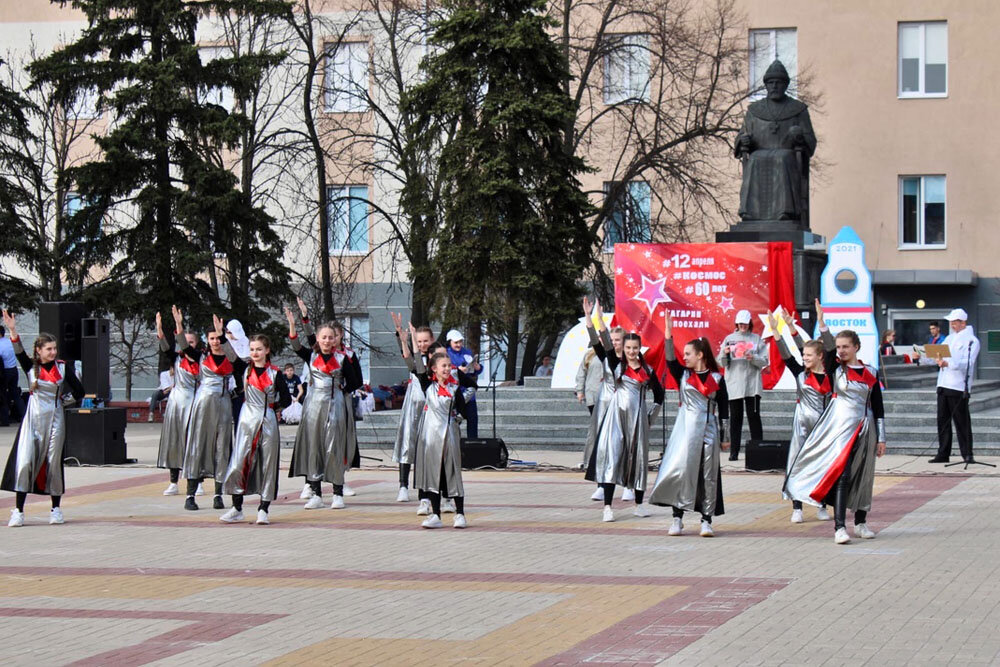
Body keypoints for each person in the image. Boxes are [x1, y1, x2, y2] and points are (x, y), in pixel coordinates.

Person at [784, 329, 887, 545]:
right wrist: (823, 328)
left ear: (856, 347)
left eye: (845, 346)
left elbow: (878, 406)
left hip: (866, 429)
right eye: (838, 347)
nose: (841, 350)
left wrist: (881, 437)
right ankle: (840, 527)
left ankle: (861, 522)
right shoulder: (835, 370)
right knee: (843, 474)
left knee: (864, 476)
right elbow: (828, 352)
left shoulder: (871, 372)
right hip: (840, 429)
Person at [649, 311, 730, 537]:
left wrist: (725, 438)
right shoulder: (683, 375)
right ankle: (677, 518)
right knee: (681, 472)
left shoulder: (717, 379)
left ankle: (706, 519)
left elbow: (724, 409)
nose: (685, 357)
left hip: (709, 430)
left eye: (688, 354)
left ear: (700, 355)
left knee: (708, 475)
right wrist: (668, 335)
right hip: (685, 432)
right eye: (684, 354)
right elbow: (670, 360)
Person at [2, 310, 86, 527]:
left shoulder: (63, 367)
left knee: (53, 462)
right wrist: (13, 330)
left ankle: (56, 509)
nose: (53, 352)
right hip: (33, 420)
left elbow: (79, 392)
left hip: (56, 420)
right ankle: (18, 511)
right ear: (38, 351)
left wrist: (62, 401)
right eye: (48, 349)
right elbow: (18, 351)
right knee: (25, 462)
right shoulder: (31, 367)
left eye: (54, 348)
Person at [584, 299, 663, 522]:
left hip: (637, 420)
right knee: (611, 456)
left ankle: (639, 504)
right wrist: (594, 319)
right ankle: (608, 506)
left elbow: (659, 395)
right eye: (628, 348)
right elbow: (603, 343)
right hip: (615, 418)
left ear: (640, 349)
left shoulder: (647, 370)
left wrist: (649, 419)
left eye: (635, 348)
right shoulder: (616, 365)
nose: (631, 351)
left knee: (638, 460)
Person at [287, 299, 363, 510]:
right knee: (315, 447)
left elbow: (356, 380)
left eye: (331, 337)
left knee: (334, 447)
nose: (327, 340)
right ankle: (316, 493)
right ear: (318, 340)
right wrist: (296, 323)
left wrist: (342, 391)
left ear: (335, 339)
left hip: (335, 404)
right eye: (324, 337)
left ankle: (338, 493)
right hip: (313, 407)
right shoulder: (311, 355)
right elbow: (295, 344)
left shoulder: (342, 358)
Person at [770, 302, 835, 523]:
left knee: (822, 464)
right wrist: (780, 333)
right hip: (802, 423)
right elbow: (789, 355)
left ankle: (821, 503)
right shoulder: (799, 373)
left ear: (820, 357)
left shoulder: (830, 375)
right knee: (797, 462)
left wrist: (821, 322)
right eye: (804, 355)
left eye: (809, 355)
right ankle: (796, 506)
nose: (805, 357)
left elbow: (822, 348)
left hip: (822, 425)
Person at [219, 334, 291, 525]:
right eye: (252, 349)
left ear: (267, 351)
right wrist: (221, 336)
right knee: (239, 462)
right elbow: (231, 355)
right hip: (246, 420)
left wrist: (274, 408)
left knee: (267, 464)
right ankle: (236, 507)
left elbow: (286, 399)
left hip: (267, 421)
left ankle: (263, 509)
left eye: (259, 349)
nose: (255, 353)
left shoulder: (276, 374)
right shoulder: (245, 370)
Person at [734, 59, 817, 223]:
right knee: (755, 159)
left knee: (782, 157)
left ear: (785, 85)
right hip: (759, 156)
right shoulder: (754, 110)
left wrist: (799, 136)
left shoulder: (798, 110)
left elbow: (810, 140)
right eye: (770, 83)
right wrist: (743, 140)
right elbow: (741, 136)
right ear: (766, 85)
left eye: (778, 82)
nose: (774, 86)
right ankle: (749, 211)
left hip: (787, 157)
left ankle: (785, 211)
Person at [180, 315, 238, 512]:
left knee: (222, 448)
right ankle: (190, 495)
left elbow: (234, 356)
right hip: (203, 405)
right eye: (211, 338)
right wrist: (179, 325)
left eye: (217, 338)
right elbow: (184, 346)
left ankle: (218, 494)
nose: (215, 341)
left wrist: (223, 335)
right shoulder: (201, 356)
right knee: (198, 445)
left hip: (223, 404)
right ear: (206, 340)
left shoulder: (230, 356)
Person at [414, 352, 469, 529]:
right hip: (431, 438)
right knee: (433, 475)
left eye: (449, 365)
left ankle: (460, 513)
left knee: (453, 472)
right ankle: (436, 514)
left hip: (450, 435)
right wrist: (409, 338)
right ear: (434, 369)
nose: (447, 369)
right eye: (443, 366)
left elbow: (464, 410)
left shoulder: (454, 388)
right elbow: (417, 365)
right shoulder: (428, 387)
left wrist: (456, 418)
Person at [922, 308, 981, 464]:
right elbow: (937, 355)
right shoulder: (948, 338)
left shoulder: (972, 341)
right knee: (943, 420)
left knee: (962, 421)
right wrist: (923, 356)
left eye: (955, 322)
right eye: (951, 323)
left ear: (963, 322)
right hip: (943, 383)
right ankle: (943, 452)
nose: (952, 325)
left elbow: (967, 363)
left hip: (958, 386)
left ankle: (967, 453)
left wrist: (948, 363)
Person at [155, 306, 202, 496]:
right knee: (174, 441)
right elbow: (165, 347)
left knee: (193, 442)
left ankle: (196, 481)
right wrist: (159, 327)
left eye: (191, 342)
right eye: (185, 341)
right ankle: (173, 481)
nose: (186, 345)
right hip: (176, 402)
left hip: (192, 402)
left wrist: (179, 324)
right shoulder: (176, 359)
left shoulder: (200, 360)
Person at [390, 314, 433, 503]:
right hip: (413, 402)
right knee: (407, 442)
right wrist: (401, 336)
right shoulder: (414, 358)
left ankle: (429, 487)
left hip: (431, 403)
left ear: (432, 341)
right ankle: (403, 486)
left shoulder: (436, 358)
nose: (422, 344)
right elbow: (407, 355)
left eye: (425, 341)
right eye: (419, 341)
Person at [719, 309, 767, 460]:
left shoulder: (756, 339)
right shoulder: (729, 338)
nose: (743, 326)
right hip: (735, 384)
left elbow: (765, 361)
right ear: (736, 324)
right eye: (740, 324)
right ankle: (734, 452)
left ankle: (758, 450)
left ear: (749, 324)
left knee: (754, 417)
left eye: (745, 324)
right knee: (736, 418)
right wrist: (725, 353)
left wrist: (753, 357)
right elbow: (721, 362)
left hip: (752, 385)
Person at [445, 330, 482, 439]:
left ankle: (473, 445)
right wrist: (457, 370)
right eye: (456, 342)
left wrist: (477, 368)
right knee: (454, 422)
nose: (459, 344)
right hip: (455, 393)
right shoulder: (445, 353)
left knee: (472, 420)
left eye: (460, 342)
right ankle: (452, 444)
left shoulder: (467, 352)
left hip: (469, 394)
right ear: (449, 342)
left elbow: (472, 370)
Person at [0, 325, 18, 427]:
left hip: (4, 372)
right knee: (15, 394)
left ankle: (5, 419)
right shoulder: (9, 342)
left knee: (3, 396)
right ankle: (24, 414)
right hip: (14, 370)